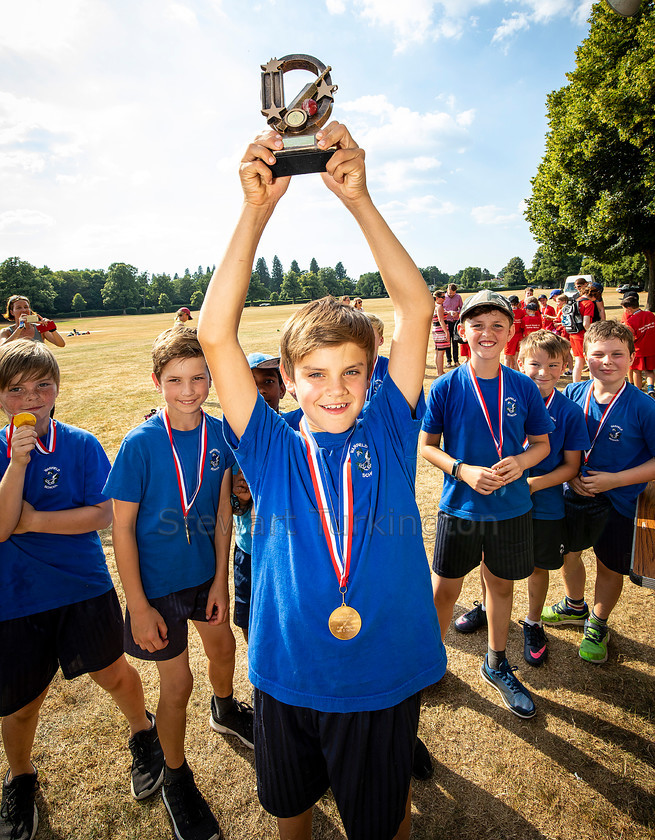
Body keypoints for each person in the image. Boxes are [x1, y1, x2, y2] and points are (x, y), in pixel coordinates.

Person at [197, 122, 446, 840]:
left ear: (372, 377)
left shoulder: (391, 431)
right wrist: (255, 212)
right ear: (290, 379)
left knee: (381, 819)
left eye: (351, 373)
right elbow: (217, 336)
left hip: (380, 672)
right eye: (315, 374)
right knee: (289, 811)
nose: (334, 390)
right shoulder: (269, 447)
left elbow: (416, 308)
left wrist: (358, 201)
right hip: (287, 671)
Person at [0, 340, 163, 840]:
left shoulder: (83, 444)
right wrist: (18, 465)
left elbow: (103, 513)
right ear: (2, 398)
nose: (31, 398)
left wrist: (37, 519)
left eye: (42, 386)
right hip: (15, 597)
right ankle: (21, 776)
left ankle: (144, 732)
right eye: (16, 389)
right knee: (22, 702)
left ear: (57, 390)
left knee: (113, 674)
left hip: (83, 587)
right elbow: (2, 528)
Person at [105, 327, 253, 840]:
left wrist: (217, 581)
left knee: (224, 649)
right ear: (157, 382)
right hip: (159, 587)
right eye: (175, 380)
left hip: (203, 578)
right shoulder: (141, 443)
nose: (188, 390)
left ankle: (226, 709)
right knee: (178, 682)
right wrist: (138, 605)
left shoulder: (221, 435)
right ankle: (176, 776)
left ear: (211, 377)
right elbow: (121, 528)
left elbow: (220, 511)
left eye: (198, 377)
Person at [420, 289, 553, 719]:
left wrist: (522, 462)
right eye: (477, 325)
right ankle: (429, 661)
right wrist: (462, 470)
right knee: (445, 587)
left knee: (499, 584)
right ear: (462, 330)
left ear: (512, 333)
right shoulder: (445, 386)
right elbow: (427, 446)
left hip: (511, 509)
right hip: (459, 506)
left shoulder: (523, 387)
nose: (487, 333)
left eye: (497, 325)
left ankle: (496, 662)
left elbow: (542, 445)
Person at [542, 321, 655, 662]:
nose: (607, 361)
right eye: (598, 354)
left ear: (632, 358)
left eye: (617, 354)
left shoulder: (643, 406)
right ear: (584, 357)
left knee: (609, 566)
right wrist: (570, 472)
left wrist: (614, 481)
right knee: (568, 554)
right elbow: (557, 442)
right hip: (573, 495)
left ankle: (598, 622)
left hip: (620, 501)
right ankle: (575, 606)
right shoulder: (573, 394)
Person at [516, 332, 590, 665]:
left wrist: (532, 484)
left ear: (565, 367)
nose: (543, 372)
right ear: (520, 363)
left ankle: (533, 621)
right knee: (492, 560)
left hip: (545, 505)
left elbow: (572, 466)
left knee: (537, 565)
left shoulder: (570, 412)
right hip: (502, 502)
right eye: (534, 363)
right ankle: (488, 608)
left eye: (553, 365)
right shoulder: (506, 402)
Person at [231, 352, 287, 642]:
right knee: (249, 619)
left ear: (283, 387)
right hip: (249, 550)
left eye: (268, 381)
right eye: (252, 385)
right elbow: (234, 506)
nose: (262, 391)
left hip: (287, 551)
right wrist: (239, 498)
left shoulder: (295, 434)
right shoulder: (233, 439)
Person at [0, 295, 65, 348]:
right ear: (12, 312)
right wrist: (19, 328)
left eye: (26, 307)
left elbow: (61, 344)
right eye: (19, 308)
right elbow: (2, 348)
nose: (23, 310)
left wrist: (52, 329)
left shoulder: (39, 328)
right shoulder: (6, 332)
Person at [621, 295, 655, 396]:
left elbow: (631, 337)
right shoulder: (650, 315)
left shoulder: (630, 321)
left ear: (629, 309)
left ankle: (638, 391)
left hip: (639, 349)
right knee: (649, 370)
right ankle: (650, 389)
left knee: (636, 371)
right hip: (651, 347)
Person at [569, 279, 595, 383]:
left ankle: (576, 384)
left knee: (579, 361)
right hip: (582, 336)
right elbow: (586, 323)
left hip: (573, 333)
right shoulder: (588, 303)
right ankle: (593, 384)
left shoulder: (576, 300)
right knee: (590, 361)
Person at [365, 313, 390, 400]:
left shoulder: (389, 369)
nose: (365, 341)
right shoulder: (345, 368)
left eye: (371, 337)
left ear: (381, 340)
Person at [443, 283, 463, 367]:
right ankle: (448, 361)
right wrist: (448, 312)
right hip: (446, 321)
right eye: (450, 293)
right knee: (447, 342)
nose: (451, 294)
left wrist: (457, 312)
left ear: (455, 291)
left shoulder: (458, 297)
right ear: (447, 290)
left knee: (455, 342)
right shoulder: (443, 297)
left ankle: (456, 361)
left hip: (455, 322)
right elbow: (440, 308)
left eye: (453, 293)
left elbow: (462, 307)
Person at [431, 291, 450, 376]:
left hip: (436, 330)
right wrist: (446, 332)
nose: (444, 299)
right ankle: (440, 371)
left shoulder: (434, 306)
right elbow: (441, 320)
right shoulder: (439, 307)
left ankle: (439, 370)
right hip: (440, 331)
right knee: (441, 353)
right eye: (442, 297)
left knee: (438, 351)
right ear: (437, 298)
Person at [503, 295, 524, 370]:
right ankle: (516, 375)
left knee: (507, 358)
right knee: (516, 358)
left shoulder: (507, 313)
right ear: (518, 303)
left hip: (510, 336)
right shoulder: (522, 312)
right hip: (519, 336)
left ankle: (506, 376)